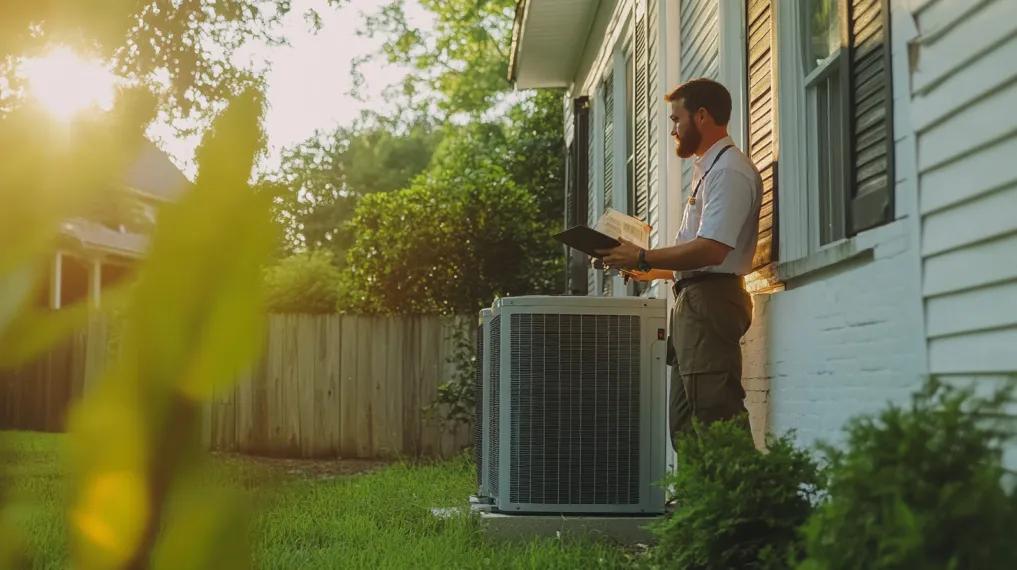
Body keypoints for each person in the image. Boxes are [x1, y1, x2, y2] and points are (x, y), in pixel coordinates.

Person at [596, 78, 762, 447]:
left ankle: (742, 505)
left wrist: (641, 254)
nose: (673, 129)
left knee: (717, 417)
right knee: (685, 427)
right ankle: (697, 505)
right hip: (694, 302)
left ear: (701, 116)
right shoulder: (708, 169)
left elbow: (712, 250)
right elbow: (694, 260)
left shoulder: (729, 172)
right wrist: (636, 265)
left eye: (677, 119)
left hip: (711, 302)